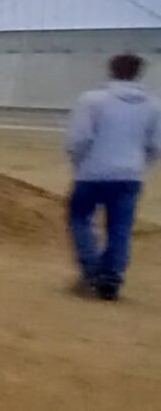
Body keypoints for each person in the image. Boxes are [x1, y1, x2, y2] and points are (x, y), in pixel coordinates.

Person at [67, 53, 159, 301]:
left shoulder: (92, 100)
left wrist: (79, 164)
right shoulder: (153, 105)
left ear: (111, 70)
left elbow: (80, 139)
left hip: (92, 172)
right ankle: (111, 279)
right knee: (120, 229)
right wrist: (140, 165)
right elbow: (155, 146)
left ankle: (91, 269)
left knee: (79, 218)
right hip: (130, 175)